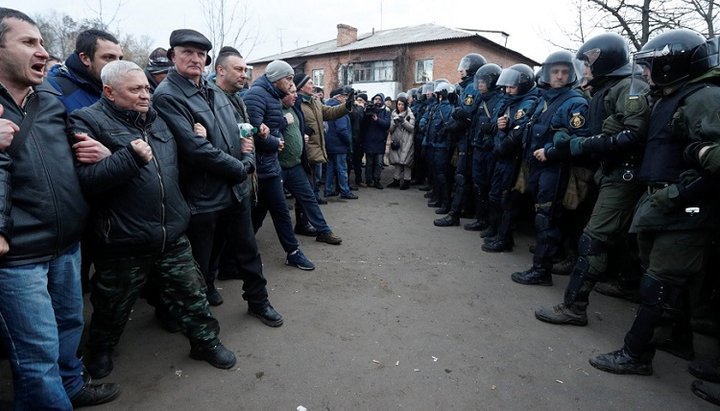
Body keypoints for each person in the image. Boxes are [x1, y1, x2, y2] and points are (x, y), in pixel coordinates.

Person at [72, 60, 237, 379]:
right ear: (109, 91)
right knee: (112, 304)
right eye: (135, 89)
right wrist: (126, 157)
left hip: (171, 231)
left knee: (192, 292)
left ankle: (205, 342)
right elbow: (86, 181)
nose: (146, 95)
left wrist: (199, 135)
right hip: (123, 239)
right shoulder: (86, 121)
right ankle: (101, 349)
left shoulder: (158, 120)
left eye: (146, 88)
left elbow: (180, 163)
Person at [0, 7, 120, 408]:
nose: (42, 51)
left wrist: (100, 151)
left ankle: (72, 385)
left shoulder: (49, 94)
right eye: (29, 42)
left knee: (69, 324)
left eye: (42, 42)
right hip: (17, 256)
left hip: (67, 242)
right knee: (36, 357)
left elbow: (74, 148)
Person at [589, 28, 720, 376]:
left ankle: (636, 355)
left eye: (651, 66)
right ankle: (675, 340)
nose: (645, 73)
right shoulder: (671, 96)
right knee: (666, 282)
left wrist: (678, 193)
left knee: (659, 284)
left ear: (670, 65)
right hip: (665, 204)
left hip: (686, 208)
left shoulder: (703, 98)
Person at [153, 29, 283, 326]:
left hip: (234, 188)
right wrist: (241, 167)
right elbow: (195, 150)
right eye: (187, 52)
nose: (195, 59)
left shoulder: (212, 91)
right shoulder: (168, 96)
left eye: (200, 54)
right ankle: (195, 318)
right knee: (201, 259)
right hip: (202, 195)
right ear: (173, 56)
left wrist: (247, 158)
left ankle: (258, 301)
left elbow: (240, 134)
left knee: (247, 251)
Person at [535, 33, 649, 324]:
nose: (583, 70)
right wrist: (571, 138)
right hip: (611, 172)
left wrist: (580, 144)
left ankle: (574, 308)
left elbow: (631, 136)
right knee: (619, 239)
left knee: (594, 239)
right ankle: (626, 285)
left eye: (587, 63)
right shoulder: (608, 89)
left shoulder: (627, 88)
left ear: (604, 60)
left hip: (624, 175)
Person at [509, 50, 590, 286]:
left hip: (556, 170)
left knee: (547, 218)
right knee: (542, 216)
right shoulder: (547, 99)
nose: (560, 76)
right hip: (538, 167)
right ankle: (546, 259)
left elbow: (581, 139)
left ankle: (541, 271)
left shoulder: (575, 102)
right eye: (555, 71)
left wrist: (551, 152)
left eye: (565, 72)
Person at [243, 60, 322, 270]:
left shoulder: (270, 96)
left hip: (269, 165)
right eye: (288, 79)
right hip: (262, 168)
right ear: (277, 78)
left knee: (261, 212)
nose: (290, 83)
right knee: (278, 211)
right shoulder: (256, 96)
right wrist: (274, 142)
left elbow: (268, 126)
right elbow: (251, 134)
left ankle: (236, 252)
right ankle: (292, 252)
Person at [482, 64, 540, 252]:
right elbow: (493, 125)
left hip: (514, 160)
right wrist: (499, 129)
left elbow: (510, 139)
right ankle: (495, 229)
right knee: (494, 195)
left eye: (511, 87)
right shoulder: (509, 101)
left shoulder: (528, 102)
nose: (507, 90)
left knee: (508, 199)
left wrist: (501, 130)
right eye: (505, 87)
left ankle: (504, 239)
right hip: (500, 157)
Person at [435, 53, 486, 226]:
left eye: (465, 65)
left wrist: (451, 124)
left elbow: (465, 115)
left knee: (462, 177)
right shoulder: (466, 87)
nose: (461, 69)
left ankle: (455, 214)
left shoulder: (472, 87)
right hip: (465, 139)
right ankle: (467, 210)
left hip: (468, 139)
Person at [295, 74, 350, 204]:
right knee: (306, 179)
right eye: (310, 83)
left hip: (317, 146)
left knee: (316, 176)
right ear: (301, 87)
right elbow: (290, 122)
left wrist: (346, 106)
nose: (313, 86)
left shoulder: (315, 102)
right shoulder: (296, 102)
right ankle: (307, 206)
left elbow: (330, 112)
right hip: (305, 147)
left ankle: (314, 197)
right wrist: (303, 129)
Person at [464, 63, 504, 232]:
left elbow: (503, 122)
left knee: (491, 188)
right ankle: (480, 219)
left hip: (491, 149)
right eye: (478, 81)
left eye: (483, 81)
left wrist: (493, 126)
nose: (479, 84)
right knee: (479, 185)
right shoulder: (480, 99)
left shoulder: (500, 100)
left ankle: (490, 222)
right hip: (478, 146)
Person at [46, 28, 123, 113]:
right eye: (109, 57)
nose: (118, 64)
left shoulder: (118, 90)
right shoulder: (54, 90)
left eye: (120, 58)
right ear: (85, 58)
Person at [324, 86, 358, 199]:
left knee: (330, 168)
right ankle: (345, 191)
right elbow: (342, 129)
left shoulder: (327, 106)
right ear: (338, 97)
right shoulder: (339, 109)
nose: (345, 98)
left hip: (329, 144)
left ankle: (328, 190)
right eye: (344, 96)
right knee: (342, 168)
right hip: (339, 145)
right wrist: (348, 143)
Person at [362, 93, 392, 188]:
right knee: (369, 162)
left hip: (380, 140)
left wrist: (377, 119)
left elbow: (387, 124)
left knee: (379, 163)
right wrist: (366, 113)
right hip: (369, 140)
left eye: (379, 99)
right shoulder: (368, 110)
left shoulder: (385, 111)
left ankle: (377, 180)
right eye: (375, 99)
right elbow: (362, 124)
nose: (377, 101)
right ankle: (368, 180)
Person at [387, 94, 415, 189]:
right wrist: (394, 123)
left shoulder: (410, 114)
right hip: (397, 141)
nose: (400, 106)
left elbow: (412, 128)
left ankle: (407, 181)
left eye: (402, 104)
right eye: (398, 104)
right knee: (397, 162)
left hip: (407, 141)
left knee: (406, 162)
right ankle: (396, 180)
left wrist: (403, 122)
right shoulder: (393, 114)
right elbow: (390, 130)